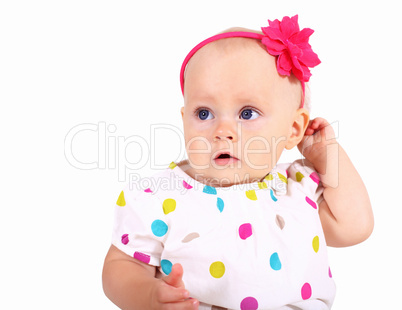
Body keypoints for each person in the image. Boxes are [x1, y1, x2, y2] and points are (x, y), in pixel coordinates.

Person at [102, 15, 374, 310]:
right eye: (204, 113)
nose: (223, 132)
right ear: (184, 121)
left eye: (247, 114)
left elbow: (354, 226)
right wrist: (148, 296)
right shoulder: (162, 196)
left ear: (292, 130)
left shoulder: (298, 188)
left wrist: (328, 155)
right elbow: (120, 266)